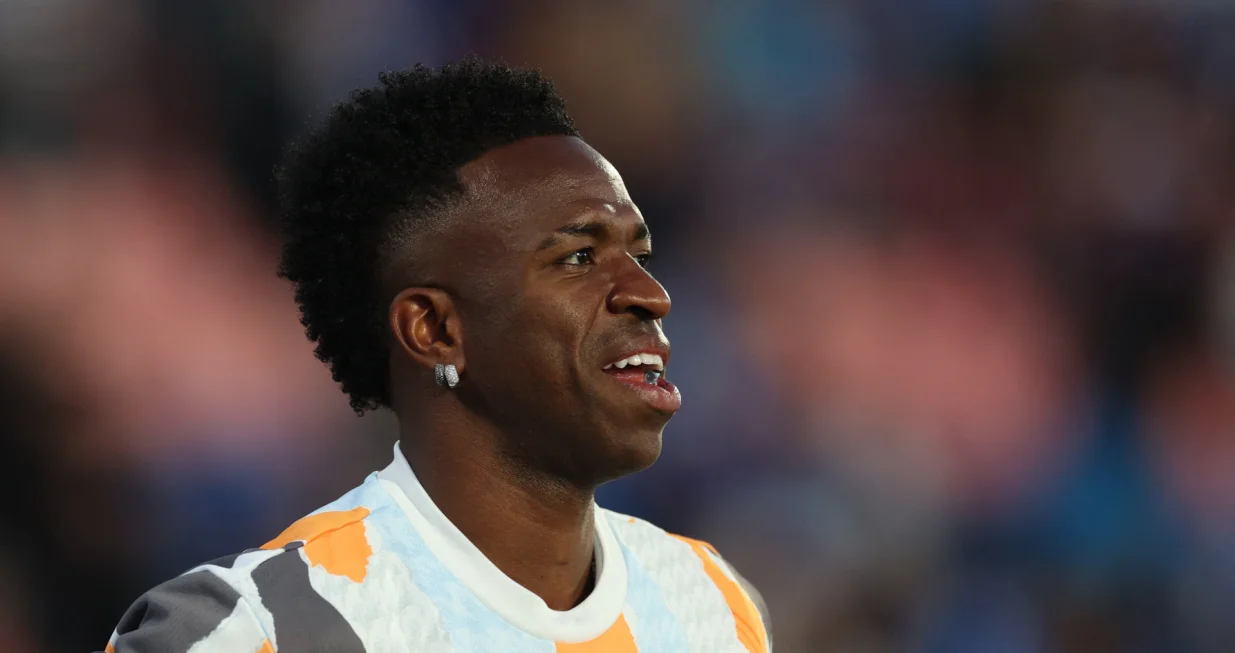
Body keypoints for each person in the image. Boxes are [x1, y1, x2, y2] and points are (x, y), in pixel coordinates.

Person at [101, 58, 771, 653]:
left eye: (640, 255)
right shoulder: (255, 627)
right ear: (433, 329)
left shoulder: (714, 604)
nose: (650, 294)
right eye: (578, 257)